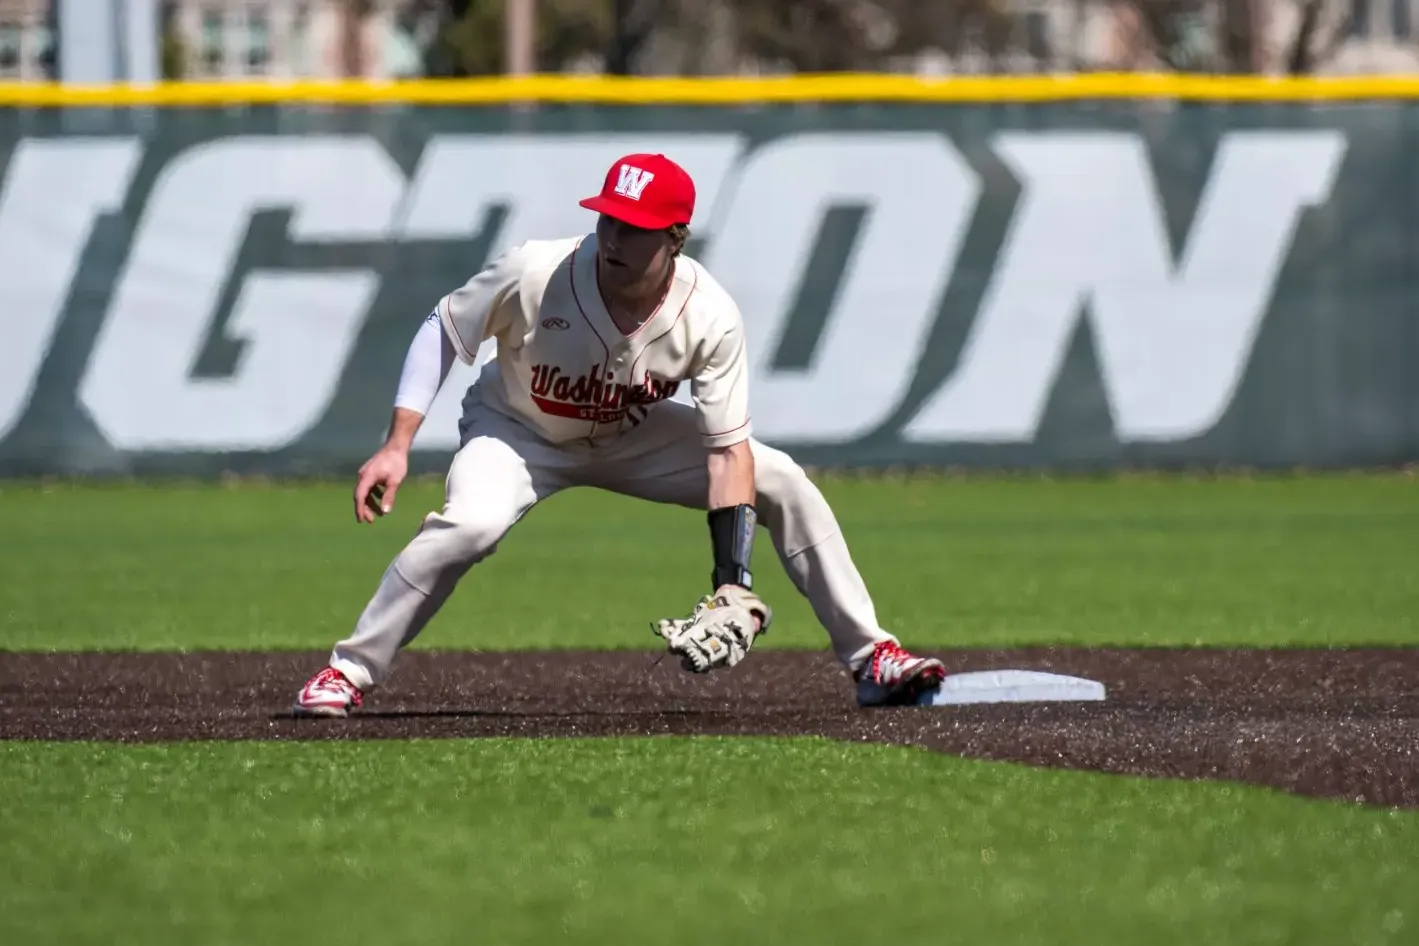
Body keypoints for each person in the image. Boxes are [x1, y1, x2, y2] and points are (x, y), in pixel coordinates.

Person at [292, 152, 946, 717]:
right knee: (468, 528)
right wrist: (398, 442)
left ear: (676, 237)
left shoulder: (709, 316)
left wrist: (732, 581)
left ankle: (872, 659)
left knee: (780, 479)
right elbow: (444, 327)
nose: (613, 235)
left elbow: (726, 452)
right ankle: (347, 671)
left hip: (630, 435)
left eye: (634, 227)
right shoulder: (536, 272)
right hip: (518, 428)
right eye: (607, 216)